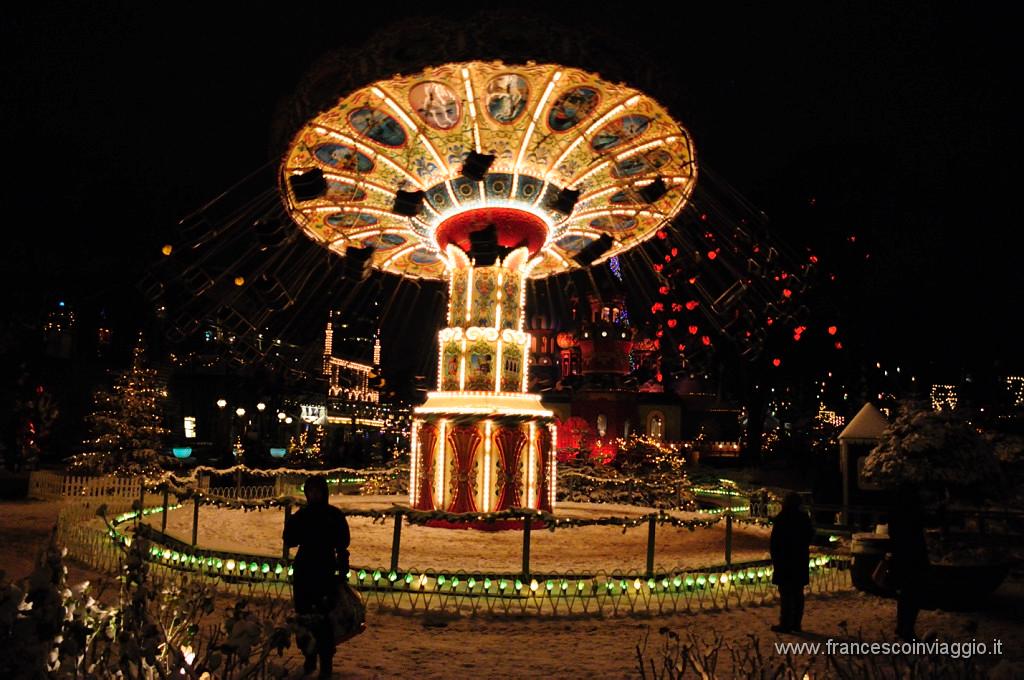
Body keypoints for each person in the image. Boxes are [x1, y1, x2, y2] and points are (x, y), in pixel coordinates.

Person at [283, 476, 351, 678]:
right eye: (310, 491)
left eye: (317, 491)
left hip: (324, 571)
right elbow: (290, 539)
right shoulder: (303, 516)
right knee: (304, 617)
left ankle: (326, 663)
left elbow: (342, 545)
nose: (314, 495)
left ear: (324, 493)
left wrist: (341, 570)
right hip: (304, 571)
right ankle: (309, 658)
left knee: (324, 619)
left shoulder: (333, 516)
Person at [887, 484, 929, 641]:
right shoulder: (913, 512)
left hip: (901, 554)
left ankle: (902, 626)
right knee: (913, 593)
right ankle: (907, 629)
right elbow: (920, 525)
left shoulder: (895, 510)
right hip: (913, 556)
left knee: (905, 593)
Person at [769, 492, 815, 633]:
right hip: (799, 560)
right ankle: (796, 623)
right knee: (797, 593)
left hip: (785, 560)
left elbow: (775, 542)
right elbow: (810, 536)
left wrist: (776, 558)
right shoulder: (803, 518)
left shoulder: (782, 519)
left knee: (786, 593)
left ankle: (785, 623)